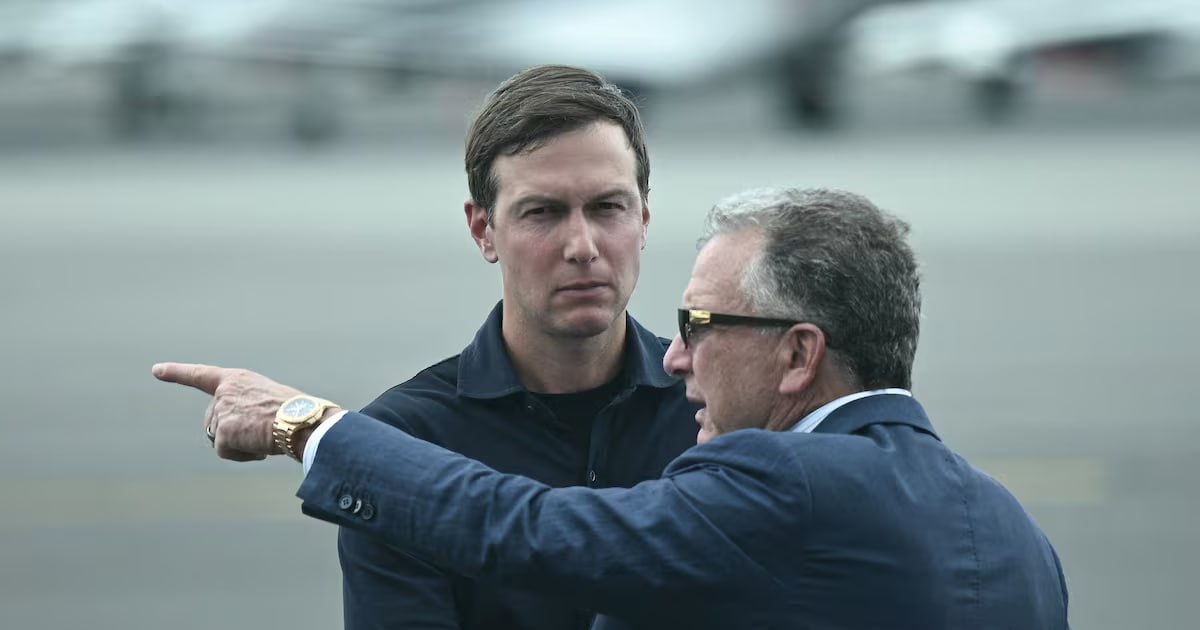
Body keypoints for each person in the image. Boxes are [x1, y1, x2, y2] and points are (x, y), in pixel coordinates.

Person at [155, 187, 1070, 629]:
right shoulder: (1015, 533)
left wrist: (309, 427)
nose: (673, 355)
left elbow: (529, 529)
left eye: (700, 325)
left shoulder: (782, 481)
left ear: (799, 355)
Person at [335, 64, 702, 629]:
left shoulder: (712, 412)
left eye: (608, 207)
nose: (582, 247)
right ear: (483, 230)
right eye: (543, 212)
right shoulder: (403, 441)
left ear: (644, 220)